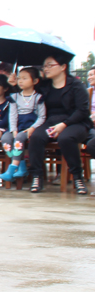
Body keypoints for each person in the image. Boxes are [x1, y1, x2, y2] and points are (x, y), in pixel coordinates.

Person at [27, 55, 92, 194]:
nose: (46, 69)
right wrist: (13, 84)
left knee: (66, 138)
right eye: (44, 66)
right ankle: (37, 176)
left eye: (50, 65)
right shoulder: (44, 86)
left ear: (63, 67)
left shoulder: (76, 85)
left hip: (76, 122)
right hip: (51, 122)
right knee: (36, 137)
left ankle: (77, 177)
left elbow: (82, 110)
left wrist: (64, 124)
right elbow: (26, 92)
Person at [0, 67, 45, 182]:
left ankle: (12, 169)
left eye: (25, 78)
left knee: (19, 138)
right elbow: (12, 115)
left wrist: (33, 128)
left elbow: (42, 117)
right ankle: (22, 166)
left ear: (35, 81)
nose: (21, 81)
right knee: (6, 139)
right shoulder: (14, 97)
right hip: (17, 125)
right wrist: (13, 129)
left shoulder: (38, 97)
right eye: (19, 78)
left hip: (30, 126)